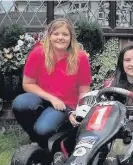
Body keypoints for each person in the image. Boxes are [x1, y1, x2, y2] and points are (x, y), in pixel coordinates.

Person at [12, 18, 92, 146]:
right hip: (42, 99)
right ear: (49, 36)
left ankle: (56, 137)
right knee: (20, 103)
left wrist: (78, 112)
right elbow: (28, 84)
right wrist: (52, 98)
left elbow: (84, 90)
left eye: (65, 34)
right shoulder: (37, 53)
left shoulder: (80, 57)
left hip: (65, 106)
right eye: (56, 34)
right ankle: (36, 140)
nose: (60, 37)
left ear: (71, 37)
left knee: (43, 129)